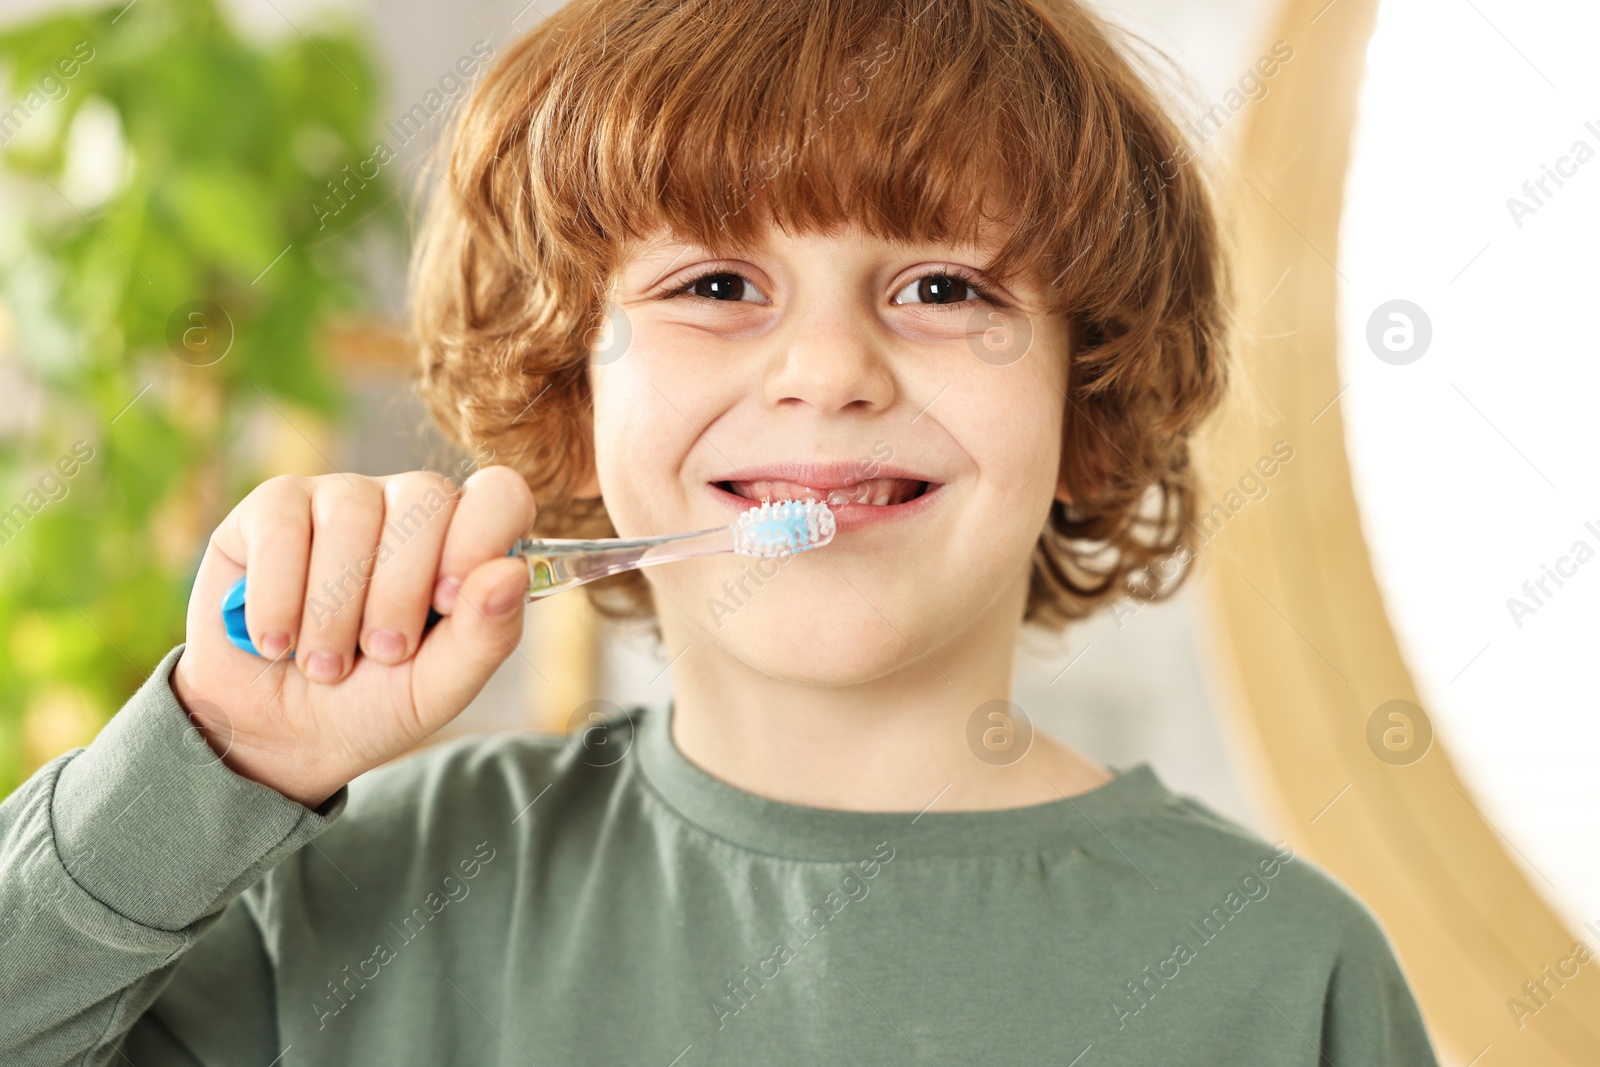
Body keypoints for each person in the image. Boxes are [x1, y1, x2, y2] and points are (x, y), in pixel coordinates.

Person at [0, 0, 1441, 1062]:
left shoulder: (1285, 977)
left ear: (1096, 401)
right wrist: (217, 758)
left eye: (943, 289)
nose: (828, 369)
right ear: (569, 391)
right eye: (714, 285)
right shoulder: (346, 906)